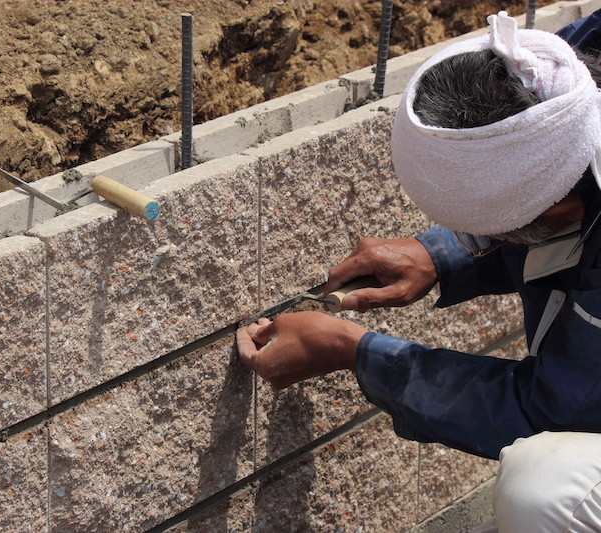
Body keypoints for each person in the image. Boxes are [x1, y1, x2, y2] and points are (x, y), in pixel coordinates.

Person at [236, 11, 601, 532]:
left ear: (559, 213)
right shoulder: (552, 77)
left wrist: (356, 352)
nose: (478, 240)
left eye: (488, 231)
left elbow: (557, 409)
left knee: (544, 490)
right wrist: (443, 254)